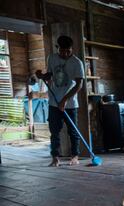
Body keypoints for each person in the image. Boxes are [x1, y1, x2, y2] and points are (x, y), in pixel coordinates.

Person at [36, 35, 85, 167]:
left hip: (70, 104)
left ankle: (75, 156)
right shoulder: (52, 58)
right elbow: (50, 75)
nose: (65, 54)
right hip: (53, 102)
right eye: (62, 51)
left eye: (68, 51)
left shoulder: (77, 62)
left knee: (73, 131)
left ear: (71, 49)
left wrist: (64, 100)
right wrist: (41, 75)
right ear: (58, 48)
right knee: (54, 132)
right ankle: (55, 158)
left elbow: (79, 85)